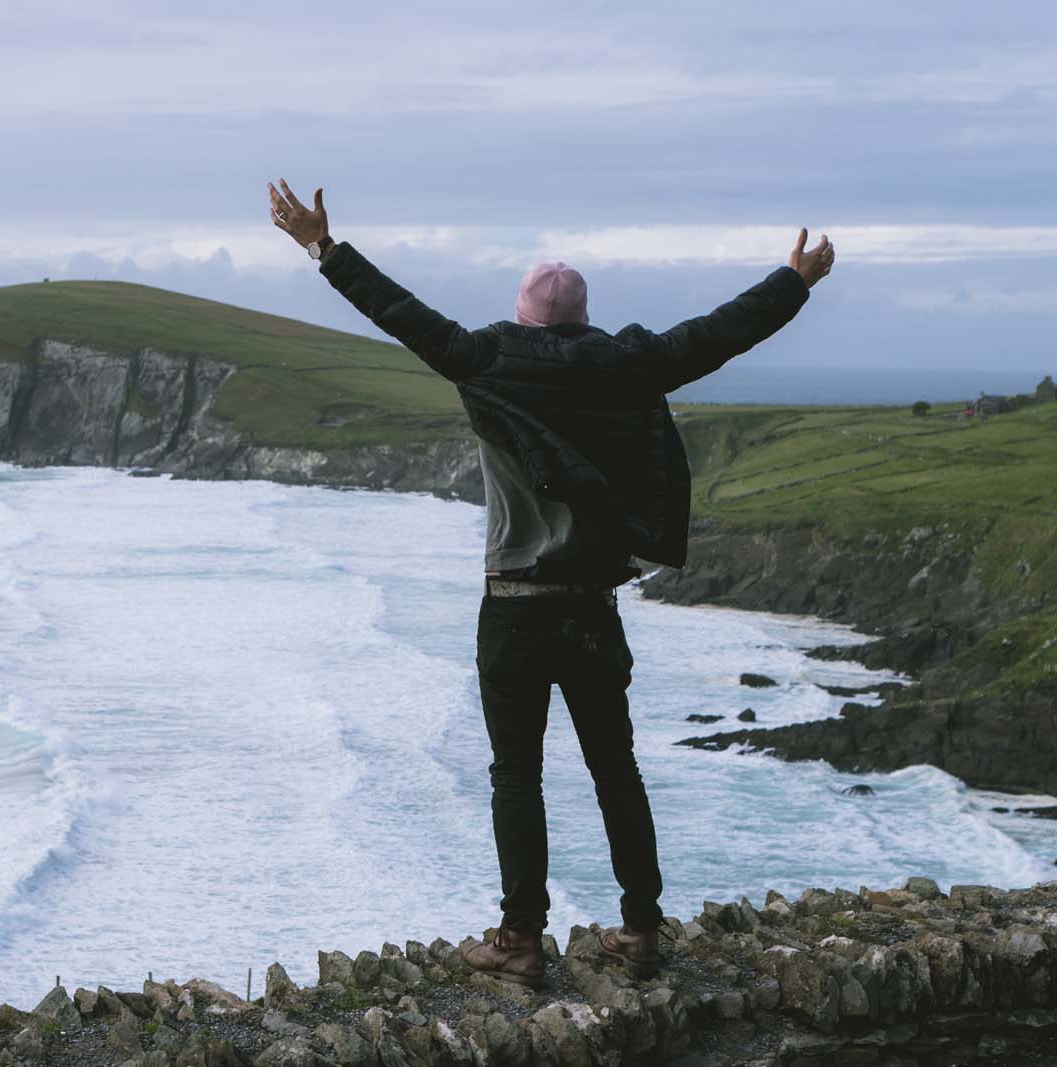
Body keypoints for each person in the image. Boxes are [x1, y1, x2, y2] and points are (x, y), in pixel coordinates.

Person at [266, 178, 834, 986]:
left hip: (514, 606)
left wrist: (322, 247)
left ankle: (520, 940)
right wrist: (795, 281)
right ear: (581, 316)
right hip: (592, 610)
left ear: (526, 314)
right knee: (615, 768)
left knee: (515, 774)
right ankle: (640, 929)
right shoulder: (628, 366)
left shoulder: (487, 361)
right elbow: (716, 334)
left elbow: (398, 310)